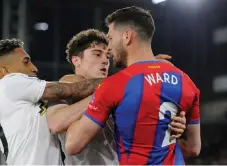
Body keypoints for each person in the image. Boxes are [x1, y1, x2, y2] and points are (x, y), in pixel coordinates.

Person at [65, 6, 201, 165]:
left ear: (127, 36)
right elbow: (193, 148)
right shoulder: (187, 82)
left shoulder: (115, 85)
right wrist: (165, 133)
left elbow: (72, 145)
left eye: (110, 38)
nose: (109, 48)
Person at [46, 29, 187, 165]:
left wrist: (173, 125)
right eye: (97, 54)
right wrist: (135, 73)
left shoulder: (118, 90)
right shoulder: (69, 83)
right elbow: (56, 123)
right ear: (76, 60)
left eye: (108, 56)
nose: (105, 60)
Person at [0, 38, 104, 165]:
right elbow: (68, 90)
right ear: (5, 71)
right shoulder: (9, 83)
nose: (34, 68)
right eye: (26, 62)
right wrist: (117, 82)